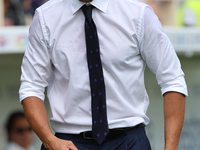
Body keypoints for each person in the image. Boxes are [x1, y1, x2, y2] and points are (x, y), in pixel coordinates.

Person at [19, 0, 188, 150]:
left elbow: (172, 79)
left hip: (129, 141)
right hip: (67, 143)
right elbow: (31, 87)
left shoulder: (138, 14)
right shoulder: (45, 17)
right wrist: (50, 140)